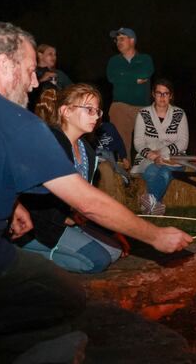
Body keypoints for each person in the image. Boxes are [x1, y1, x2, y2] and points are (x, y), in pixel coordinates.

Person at [0, 22, 192, 363]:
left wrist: (14, 201)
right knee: (66, 297)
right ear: (5, 64)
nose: (35, 82)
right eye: (30, 70)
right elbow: (86, 201)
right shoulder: (17, 121)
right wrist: (154, 236)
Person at [19, 84, 128, 273]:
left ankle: (70, 246)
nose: (96, 116)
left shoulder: (87, 150)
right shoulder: (51, 143)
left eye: (97, 111)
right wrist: (68, 218)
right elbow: (36, 197)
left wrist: (111, 230)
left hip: (70, 220)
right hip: (41, 224)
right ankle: (25, 256)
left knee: (115, 251)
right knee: (98, 262)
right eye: (89, 110)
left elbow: (86, 200)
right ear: (66, 111)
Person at [132, 78, 189, 215]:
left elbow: (183, 142)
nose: (162, 97)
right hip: (149, 156)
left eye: (166, 93)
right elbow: (138, 142)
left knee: (163, 171)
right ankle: (155, 206)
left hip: (174, 157)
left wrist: (162, 153)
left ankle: (150, 203)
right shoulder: (143, 114)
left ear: (171, 95)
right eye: (159, 93)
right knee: (151, 171)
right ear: (153, 94)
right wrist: (152, 155)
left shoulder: (179, 114)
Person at [106, 27, 155, 161]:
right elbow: (111, 77)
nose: (118, 42)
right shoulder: (114, 61)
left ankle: (145, 173)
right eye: (116, 40)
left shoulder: (145, 59)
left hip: (142, 107)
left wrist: (122, 77)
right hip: (119, 106)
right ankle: (123, 174)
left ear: (132, 40)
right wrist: (134, 79)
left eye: (122, 39)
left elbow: (145, 74)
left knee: (147, 143)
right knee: (120, 144)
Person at [95, 120, 132, 186]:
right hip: (99, 161)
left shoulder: (109, 127)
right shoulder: (88, 132)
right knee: (105, 168)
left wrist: (123, 157)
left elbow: (119, 143)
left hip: (112, 159)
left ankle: (124, 178)